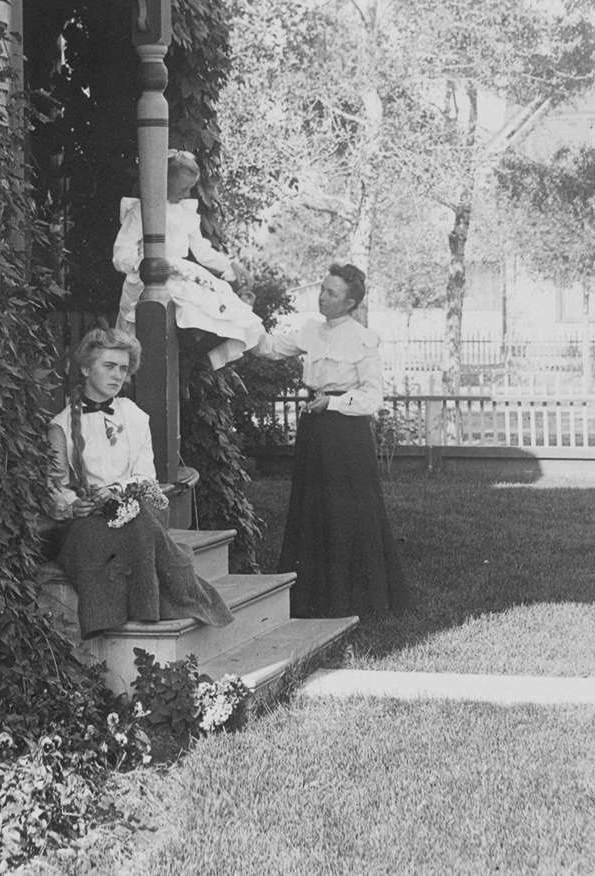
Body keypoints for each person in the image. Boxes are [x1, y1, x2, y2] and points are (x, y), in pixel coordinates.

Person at [47, 327, 235, 638]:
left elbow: (145, 476)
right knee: (113, 532)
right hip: (90, 515)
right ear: (84, 368)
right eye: (108, 366)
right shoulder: (61, 425)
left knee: (140, 519)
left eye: (123, 368)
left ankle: (150, 606)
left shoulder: (134, 416)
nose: (117, 375)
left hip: (137, 502)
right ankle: (141, 607)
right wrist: (72, 504)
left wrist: (118, 492)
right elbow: (56, 488)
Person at [249, 263, 406, 618]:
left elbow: (371, 397)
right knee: (311, 506)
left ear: (350, 302)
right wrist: (245, 313)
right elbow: (268, 348)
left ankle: (353, 596)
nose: (322, 296)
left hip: (347, 434)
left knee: (346, 509)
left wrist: (333, 402)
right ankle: (312, 593)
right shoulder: (310, 331)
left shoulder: (362, 339)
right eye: (322, 289)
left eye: (331, 293)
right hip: (315, 430)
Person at [113, 150, 264, 369]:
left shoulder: (185, 212)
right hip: (150, 278)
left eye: (190, 189)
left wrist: (231, 264)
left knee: (223, 307)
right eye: (182, 188)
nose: (186, 195)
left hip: (180, 274)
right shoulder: (142, 211)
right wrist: (145, 264)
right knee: (148, 342)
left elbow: (202, 250)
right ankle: (183, 356)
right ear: (165, 181)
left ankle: (192, 358)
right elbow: (121, 255)